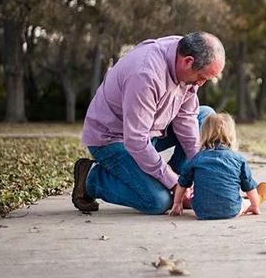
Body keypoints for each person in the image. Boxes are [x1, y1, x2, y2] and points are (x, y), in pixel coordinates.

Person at [72, 32, 225, 214]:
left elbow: (186, 119)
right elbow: (136, 140)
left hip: (154, 130)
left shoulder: (183, 54)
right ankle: (91, 178)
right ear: (188, 61)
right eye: (202, 77)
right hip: (113, 140)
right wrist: (173, 182)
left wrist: (202, 168)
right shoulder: (144, 74)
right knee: (158, 201)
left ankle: (176, 183)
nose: (201, 83)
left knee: (206, 116)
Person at [169, 113, 266, 219]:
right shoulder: (238, 159)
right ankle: (256, 200)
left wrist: (177, 203)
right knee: (245, 203)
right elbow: (249, 187)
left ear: (203, 134)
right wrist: (255, 207)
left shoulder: (196, 159)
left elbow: (182, 183)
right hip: (231, 210)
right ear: (231, 135)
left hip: (201, 211)